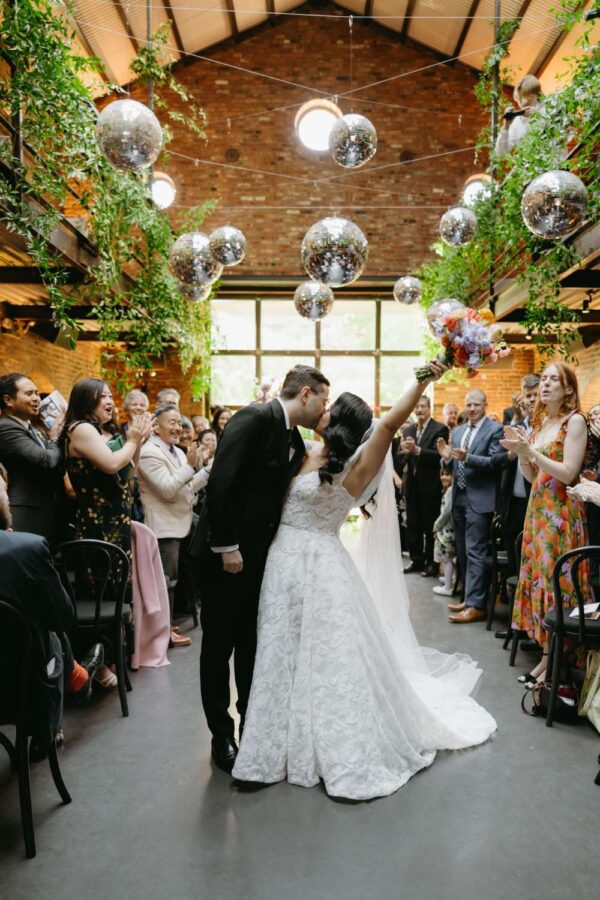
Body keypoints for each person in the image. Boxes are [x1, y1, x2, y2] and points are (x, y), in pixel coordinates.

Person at [232, 365, 496, 800]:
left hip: (321, 566)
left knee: (327, 657)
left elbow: (388, 424)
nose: (323, 411)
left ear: (341, 423)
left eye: (331, 409)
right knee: (278, 650)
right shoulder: (302, 449)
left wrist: (423, 380)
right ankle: (266, 752)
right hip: (282, 564)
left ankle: (339, 750)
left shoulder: (359, 463)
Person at [199, 365, 330, 773]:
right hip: (225, 554)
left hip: (260, 557)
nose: (324, 408)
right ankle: (221, 735)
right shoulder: (253, 417)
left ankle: (250, 726)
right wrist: (228, 546)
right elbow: (222, 481)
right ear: (305, 394)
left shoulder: (294, 438)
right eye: (324, 399)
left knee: (251, 644)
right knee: (219, 646)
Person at [0, 472, 104, 751]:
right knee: (49, 634)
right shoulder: (27, 547)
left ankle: (77, 677)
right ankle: (45, 734)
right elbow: (63, 616)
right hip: (22, 681)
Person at [500, 363, 589, 685]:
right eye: (544, 379)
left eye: (554, 380)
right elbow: (531, 477)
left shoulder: (574, 421)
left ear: (568, 389)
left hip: (561, 516)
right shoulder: (542, 422)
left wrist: (531, 452)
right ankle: (547, 657)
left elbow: (568, 472)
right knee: (541, 583)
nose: (546, 384)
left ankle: (553, 663)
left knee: (557, 587)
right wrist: (523, 454)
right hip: (538, 513)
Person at [61, 379, 152, 686]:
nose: (110, 402)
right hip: (97, 527)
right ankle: (95, 663)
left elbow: (127, 476)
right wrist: (133, 439)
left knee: (117, 591)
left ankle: (111, 658)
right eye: (103, 397)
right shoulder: (81, 429)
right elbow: (113, 464)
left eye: (111, 396)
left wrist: (137, 442)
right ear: (86, 400)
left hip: (114, 525)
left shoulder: (98, 432)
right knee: (101, 591)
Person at [137, 404, 208, 648]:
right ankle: (163, 632)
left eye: (179, 422)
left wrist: (206, 472)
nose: (178, 427)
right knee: (165, 581)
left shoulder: (176, 451)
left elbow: (185, 488)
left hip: (180, 523)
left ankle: (166, 624)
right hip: (163, 527)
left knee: (173, 580)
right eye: (172, 422)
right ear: (156, 427)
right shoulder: (149, 452)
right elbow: (167, 489)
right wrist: (190, 465)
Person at [437, 389, 504, 624]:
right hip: (459, 497)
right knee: (463, 551)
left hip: (480, 499)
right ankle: (469, 597)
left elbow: (495, 463)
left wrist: (468, 458)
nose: (472, 409)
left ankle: (477, 606)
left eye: (476, 404)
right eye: (469, 405)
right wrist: (446, 457)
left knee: (476, 551)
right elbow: (452, 465)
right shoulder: (458, 431)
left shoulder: (495, 430)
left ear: (485, 404)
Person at [0, 372, 64, 541]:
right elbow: (46, 460)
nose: (36, 398)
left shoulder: (31, 427)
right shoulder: (6, 428)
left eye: (36, 393)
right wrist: (54, 437)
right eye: (29, 394)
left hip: (49, 511)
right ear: (8, 400)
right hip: (26, 513)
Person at [400, 395, 449, 577]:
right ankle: (416, 560)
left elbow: (440, 456)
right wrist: (405, 451)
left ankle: (431, 563)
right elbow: (401, 457)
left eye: (423, 406)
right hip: (412, 484)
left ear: (429, 408)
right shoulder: (409, 430)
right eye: (417, 407)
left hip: (430, 484)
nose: (420, 410)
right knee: (413, 524)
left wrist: (418, 450)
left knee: (430, 525)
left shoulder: (440, 428)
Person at [495, 74, 542, 156]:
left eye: (526, 97)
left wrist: (537, 114)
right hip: (529, 163)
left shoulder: (551, 108)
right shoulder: (517, 121)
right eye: (519, 99)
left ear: (536, 95)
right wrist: (506, 127)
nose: (522, 103)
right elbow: (501, 152)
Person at [432, 469, 456, 597]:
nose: (444, 477)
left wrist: (437, 524)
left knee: (447, 558)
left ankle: (447, 587)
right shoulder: (448, 490)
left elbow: (446, 511)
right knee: (448, 557)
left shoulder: (451, 490)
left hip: (448, 529)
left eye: (447, 474)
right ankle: (449, 578)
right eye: (442, 474)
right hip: (447, 529)